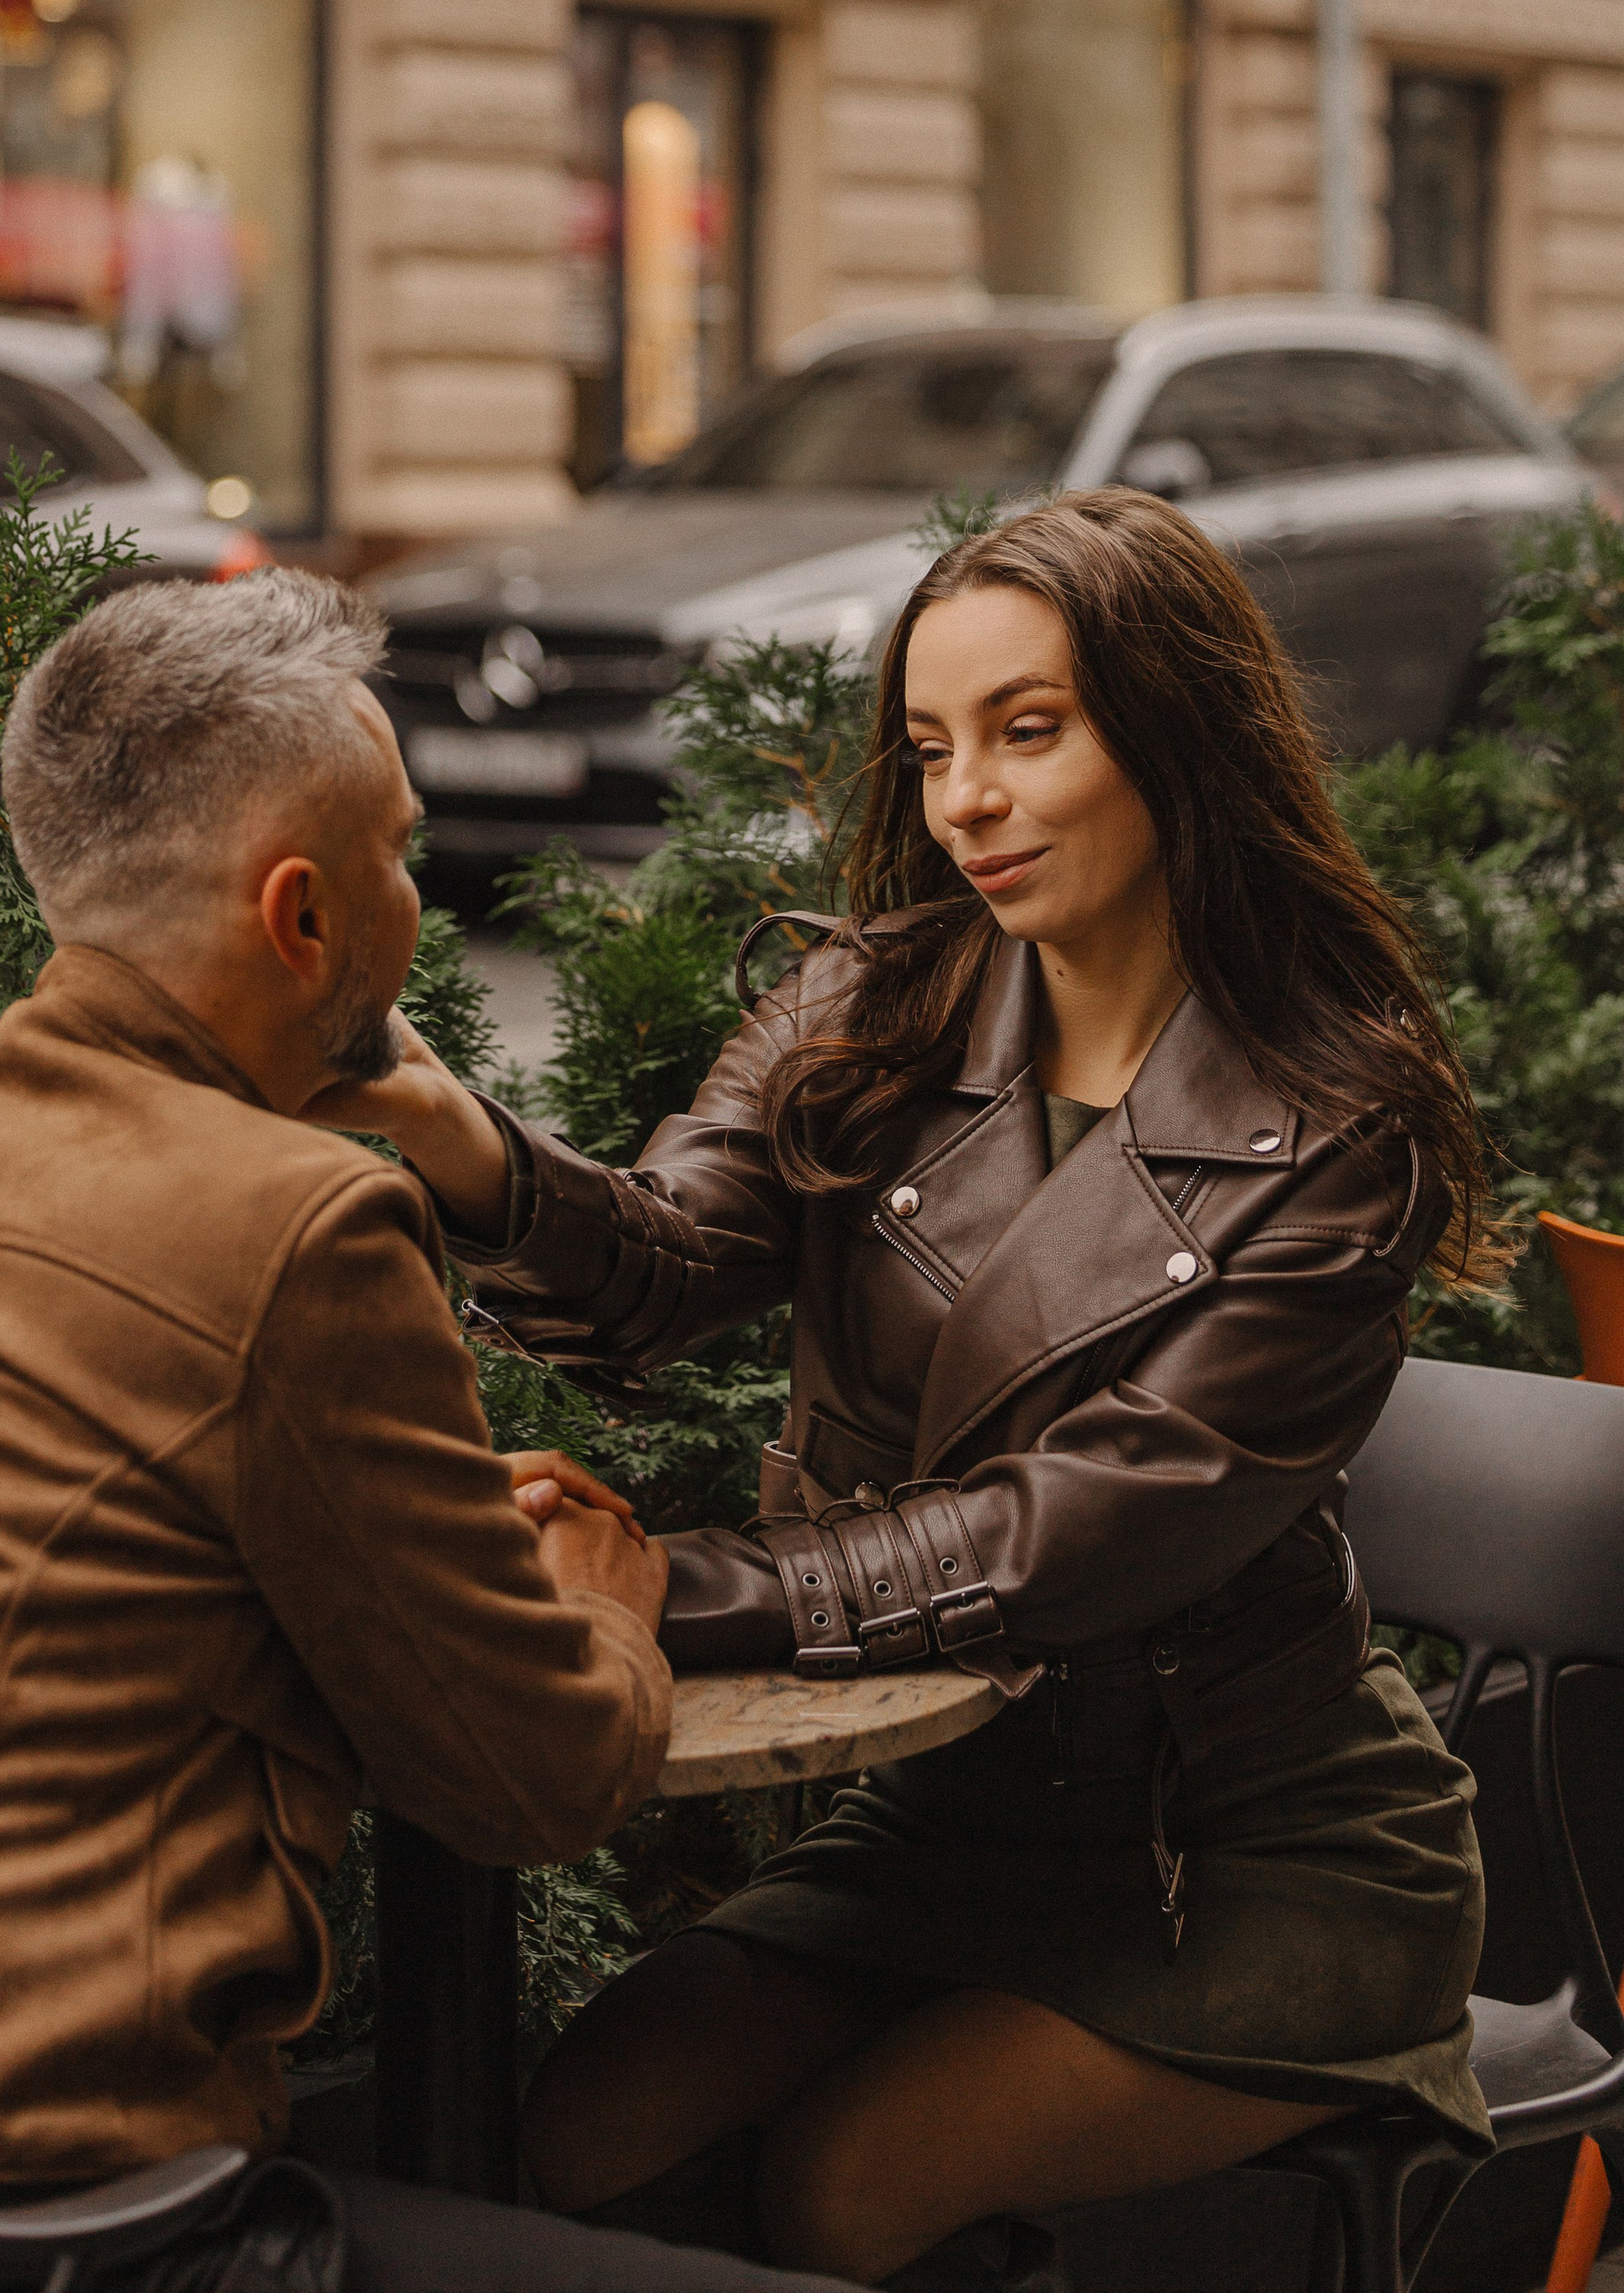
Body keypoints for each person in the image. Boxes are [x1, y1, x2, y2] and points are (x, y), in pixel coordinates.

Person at [0, 570, 853, 2293]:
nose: (418, 899)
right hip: (36, 2207)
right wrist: (599, 1594)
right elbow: (532, 1778)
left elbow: (57, 1544)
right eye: (399, 855)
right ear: (299, 916)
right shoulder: (298, 1224)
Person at [325, 491, 1502, 2287]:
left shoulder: (1339, 1126)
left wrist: (654, 1587)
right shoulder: (874, 1003)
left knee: (849, 2184)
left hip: (1248, 1846)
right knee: (573, 2132)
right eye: (935, 747)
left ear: (1176, 734)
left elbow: (1063, 1540)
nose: (965, 801)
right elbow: (660, 1263)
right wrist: (441, 1127)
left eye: (1028, 733)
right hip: (946, 1822)